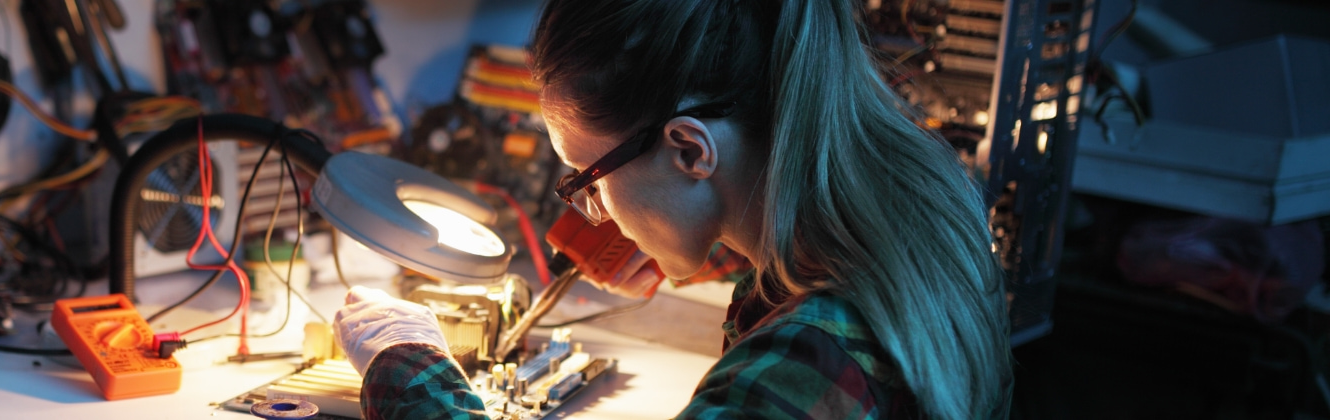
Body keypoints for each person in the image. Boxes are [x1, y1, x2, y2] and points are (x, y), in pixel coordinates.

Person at [331, 0, 1013, 419]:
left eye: (587, 179)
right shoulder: (916, 194)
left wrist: (405, 362)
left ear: (690, 151)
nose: (596, 212)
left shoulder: (811, 357)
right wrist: (700, 230)